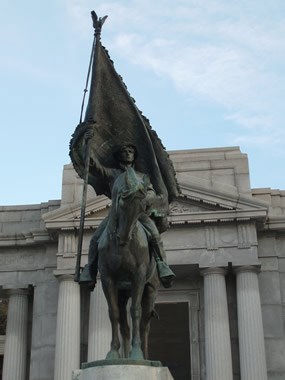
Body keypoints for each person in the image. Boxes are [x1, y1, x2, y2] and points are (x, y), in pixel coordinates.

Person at [79, 131, 175, 290]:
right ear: (119, 156)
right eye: (124, 152)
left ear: (134, 155)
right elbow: (93, 166)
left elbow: (151, 192)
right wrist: (86, 145)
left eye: (130, 152)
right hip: (116, 215)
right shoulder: (113, 173)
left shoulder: (142, 176)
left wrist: (146, 199)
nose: (128, 154)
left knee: (155, 236)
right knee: (96, 238)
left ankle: (162, 266)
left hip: (139, 214)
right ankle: (90, 269)